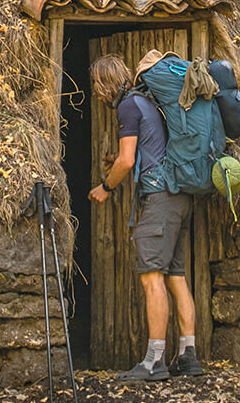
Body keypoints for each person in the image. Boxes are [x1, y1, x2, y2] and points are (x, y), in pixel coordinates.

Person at [87, 54, 203, 381]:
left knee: (152, 276)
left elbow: (125, 161)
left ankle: (154, 361)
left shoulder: (127, 106)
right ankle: (187, 355)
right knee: (175, 276)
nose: (97, 95)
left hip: (160, 200)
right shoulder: (148, 102)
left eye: (97, 87)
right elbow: (145, 150)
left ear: (104, 83)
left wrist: (105, 188)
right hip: (180, 196)